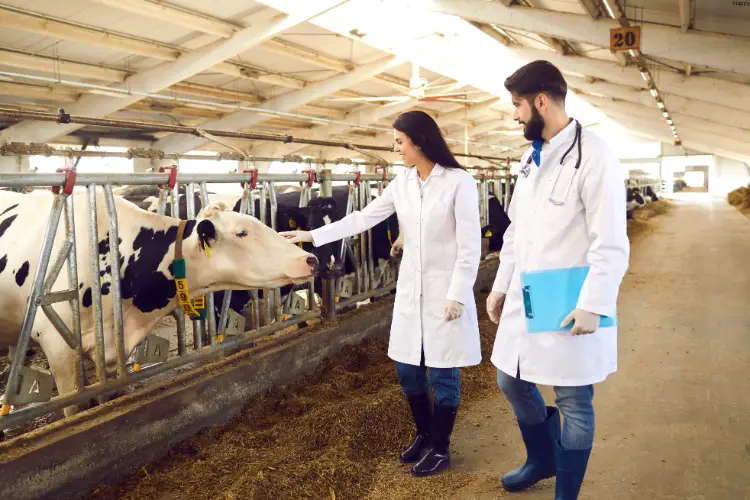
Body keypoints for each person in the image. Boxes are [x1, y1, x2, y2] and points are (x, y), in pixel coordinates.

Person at [280, 110, 482, 477]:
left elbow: (470, 246)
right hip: (411, 291)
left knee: (443, 372)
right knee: (407, 370)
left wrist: (457, 293)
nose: (396, 149)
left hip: (444, 291)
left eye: (399, 142)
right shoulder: (402, 182)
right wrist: (311, 236)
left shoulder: (458, 182)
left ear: (419, 141)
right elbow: (363, 217)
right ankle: (424, 434)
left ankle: (440, 447)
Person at [486, 60, 630, 499]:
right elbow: (514, 231)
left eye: (517, 105)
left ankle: (566, 493)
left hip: (570, 301)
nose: (514, 115)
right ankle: (542, 458)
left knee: (573, 401)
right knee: (510, 379)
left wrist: (595, 303)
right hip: (528, 298)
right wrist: (500, 284)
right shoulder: (531, 162)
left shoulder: (595, 155)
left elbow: (611, 240)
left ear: (541, 102)